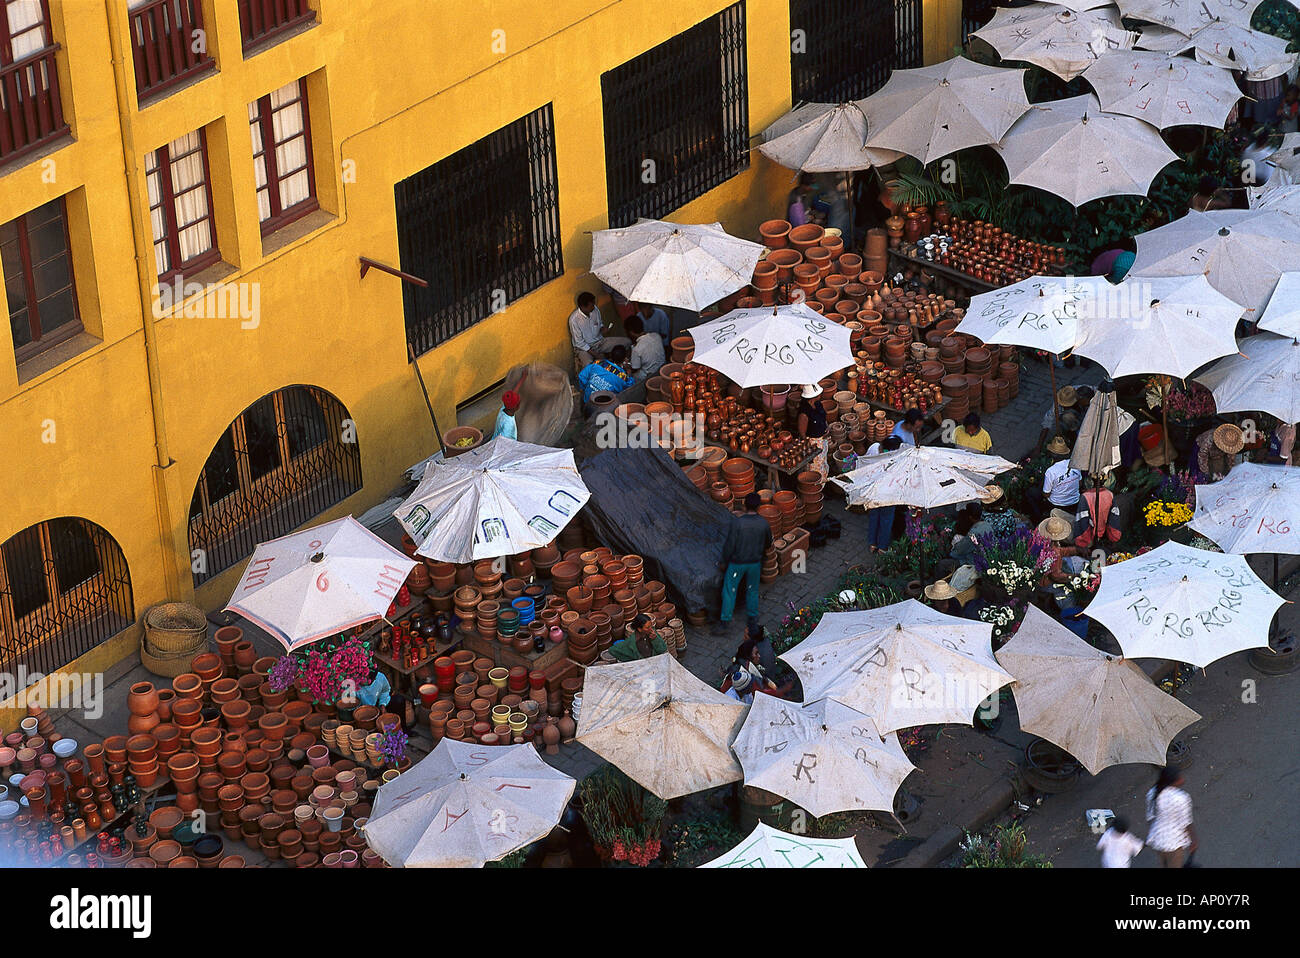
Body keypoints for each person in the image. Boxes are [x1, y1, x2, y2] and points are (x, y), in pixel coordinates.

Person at [713, 492, 772, 635]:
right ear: (759, 506)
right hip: (755, 564)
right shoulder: (763, 523)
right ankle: (752, 621)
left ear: (745, 505)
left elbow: (729, 545)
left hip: (737, 564)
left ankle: (725, 623)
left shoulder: (738, 523)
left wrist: (723, 562)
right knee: (752, 591)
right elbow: (768, 543)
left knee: (729, 591)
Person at [1146, 766, 1196, 868]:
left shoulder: (1152, 792)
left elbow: (1150, 816)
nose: (1182, 779)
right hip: (1174, 843)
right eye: (1179, 777)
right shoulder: (1181, 798)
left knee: (1163, 863)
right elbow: (1186, 823)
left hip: (1158, 838)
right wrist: (1194, 840)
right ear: (1173, 781)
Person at [866, 436, 902, 553]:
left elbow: (864, 462)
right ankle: (882, 547)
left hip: (873, 491)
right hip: (888, 494)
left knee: (874, 516)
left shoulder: (874, 448)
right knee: (886, 519)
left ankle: (872, 544)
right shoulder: (896, 458)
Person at [568, 291, 621, 371]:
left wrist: (602, 328)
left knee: (626, 342)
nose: (594, 306)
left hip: (599, 342)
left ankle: (620, 367)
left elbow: (599, 323)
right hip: (584, 349)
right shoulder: (574, 320)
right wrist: (596, 354)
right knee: (588, 366)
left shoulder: (595, 310)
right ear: (583, 307)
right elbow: (579, 343)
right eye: (591, 305)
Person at [1042, 438, 1082, 517]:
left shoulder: (1051, 471)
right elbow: (1080, 483)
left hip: (1057, 504)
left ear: (1052, 454)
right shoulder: (1075, 462)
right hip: (1074, 502)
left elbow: (1046, 494)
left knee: (1032, 494)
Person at [797, 384, 829, 475]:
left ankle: (823, 482)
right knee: (814, 467)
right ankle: (815, 486)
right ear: (812, 396)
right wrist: (809, 448)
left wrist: (826, 426)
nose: (821, 395)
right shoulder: (804, 413)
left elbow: (823, 416)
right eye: (818, 394)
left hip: (822, 440)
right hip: (813, 443)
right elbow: (802, 433)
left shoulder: (818, 404)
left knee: (822, 462)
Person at [625, 314, 665, 382]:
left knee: (629, 374)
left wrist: (627, 366)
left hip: (649, 376)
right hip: (662, 368)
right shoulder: (656, 335)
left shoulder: (637, 349)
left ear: (631, 332)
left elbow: (635, 368)